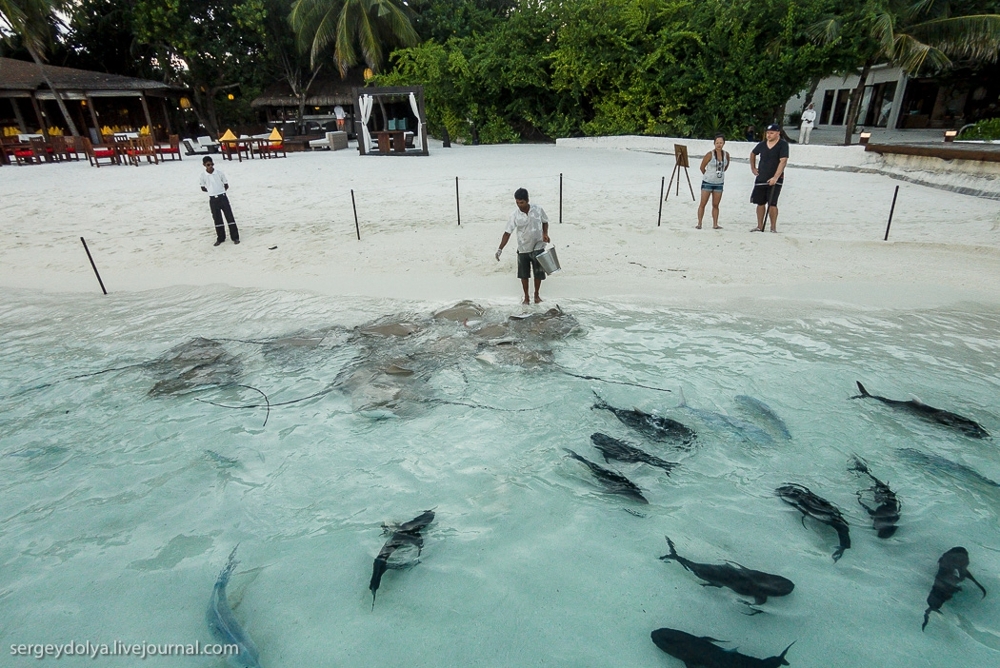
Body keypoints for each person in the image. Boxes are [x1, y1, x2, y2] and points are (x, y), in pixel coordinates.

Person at [496, 187, 550, 304]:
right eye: (517, 202)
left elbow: (545, 221)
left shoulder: (538, 209)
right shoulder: (515, 215)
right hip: (523, 248)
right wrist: (500, 249)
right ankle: (526, 297)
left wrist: (545, 234)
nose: (519, 205)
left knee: (538, 273)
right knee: (524, 275)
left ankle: (536, 295)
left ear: (527, 200)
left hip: (538, 246)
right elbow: (507, 233)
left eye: (522, 202)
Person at [749, 123, 789, 233]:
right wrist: (753, 167)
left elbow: (783, 161)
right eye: (768, 133)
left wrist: (775, 177)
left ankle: (773, 227)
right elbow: (753, 153)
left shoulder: (782, 145)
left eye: (771, 133)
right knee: (760, 202)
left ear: (777, 133)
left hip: (775, 178)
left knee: (772, 203)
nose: (769, 135)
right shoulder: (762, 144)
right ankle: (760, 226)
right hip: (761, 176)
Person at [199, 156, 240, 246]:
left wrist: (221, 191)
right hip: (213, 199)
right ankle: (221, 238)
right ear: (204, 165)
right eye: (208, 165)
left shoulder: (219, 173)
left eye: (211, 164)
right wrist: (211, 191)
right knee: (217, 218)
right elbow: (203, 187)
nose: (210, 166)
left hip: (222, 197)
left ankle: (235, 237)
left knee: (229, 216)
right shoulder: (203, 176)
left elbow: (226, 184)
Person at [696, 134, 730, 230]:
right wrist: (708, 175)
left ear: (724, 143)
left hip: (719, 182)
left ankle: (715, 224)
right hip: (708, 182)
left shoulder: (726, 155)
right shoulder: (709, 154)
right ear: (714, 143)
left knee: (716, 204)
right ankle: (699, 223)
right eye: (717, 143)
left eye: (721, 143)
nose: (719, 145)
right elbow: (702, 167)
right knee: (703, 203)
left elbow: (726, 167)